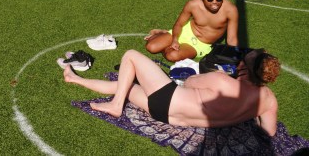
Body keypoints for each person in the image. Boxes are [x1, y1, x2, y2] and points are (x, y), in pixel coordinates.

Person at [63, 48, 280, 137]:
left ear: (243, 68)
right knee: (125, 86)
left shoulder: (223, 82)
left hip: (166, 101)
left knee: (130, 55)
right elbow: (268, 133)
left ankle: (115, 105)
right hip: (170, 118)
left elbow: (190, 82)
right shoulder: (269, 101)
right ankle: (75, 78)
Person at [145, 0, 238, 61]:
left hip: (201, 44)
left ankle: (163, 34)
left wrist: (235, 57)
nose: (215, 2)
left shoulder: (230, 10)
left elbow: (231, 38)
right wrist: (175, 40)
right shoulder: (193, 5)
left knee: (171, 55)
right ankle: (163, 35)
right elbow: (179, 24)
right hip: (185, 32)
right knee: (151, 47)